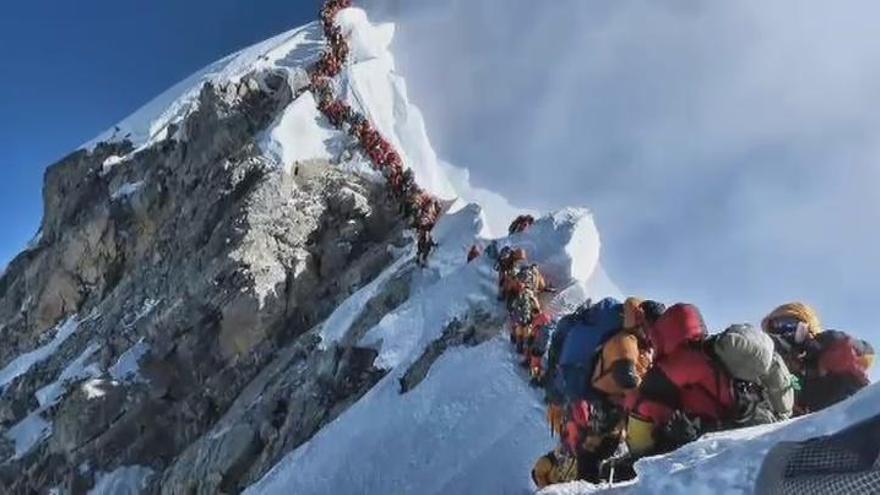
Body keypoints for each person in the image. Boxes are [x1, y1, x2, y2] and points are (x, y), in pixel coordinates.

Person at [625, 304, 736, 458]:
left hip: (712, 431)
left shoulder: (682, 360)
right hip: (713, 424)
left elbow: (647, 391)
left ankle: (636, 459)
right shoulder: (699, 352)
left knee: (640, 401)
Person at [762, 302, 874, 414]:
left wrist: (821, 345)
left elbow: (866, 352)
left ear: (805, 325)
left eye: (785, 324)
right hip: (813, 427)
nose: (781, 334)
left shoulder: (830, 347)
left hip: (855, 415)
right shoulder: (783, 372)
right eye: (772, 332)